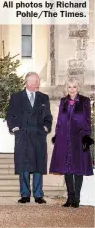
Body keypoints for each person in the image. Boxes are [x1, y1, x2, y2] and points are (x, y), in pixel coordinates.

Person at [6, 72, 53, 204]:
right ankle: (25, 194)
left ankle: (39, 195)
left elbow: (48, 117)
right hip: (23, 136)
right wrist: (15, 129)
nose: (38, 84)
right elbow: (10, 115)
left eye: (38, 81)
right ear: (28, 83)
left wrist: (46, 128)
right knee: (24, 166)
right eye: (36, 82)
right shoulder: (16, 97)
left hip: (38, 136)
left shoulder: (44, 98)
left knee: (38, 165)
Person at [49, 77, 94, 208]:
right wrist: (57, 136)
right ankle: (70, 198)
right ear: (66, 88)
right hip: (64, 138)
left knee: (78, 169)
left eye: (74, 87)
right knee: (67, 169)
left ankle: (77, 199)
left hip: (79, 138)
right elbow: (59, 121)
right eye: (69, 87)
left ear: (78, 88)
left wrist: (86, 137)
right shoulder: (63, 101)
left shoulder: (85, 101)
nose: (72, 89)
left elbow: (87, 120)